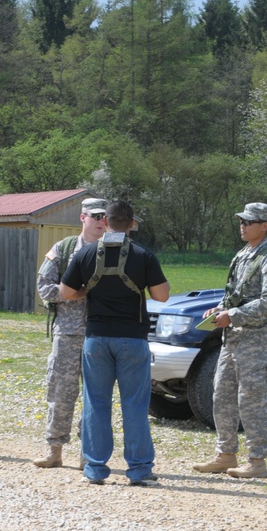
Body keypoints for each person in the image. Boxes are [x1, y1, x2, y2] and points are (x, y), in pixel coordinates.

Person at [60, 200, 170, 486]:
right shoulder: (143, 255)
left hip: (95, 338)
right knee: (134, 404)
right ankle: (139, 470)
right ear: (132, 224)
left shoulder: (85, 254)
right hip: (132, 339)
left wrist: (91, 288)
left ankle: (95, 469)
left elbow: (65, 292)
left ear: (106, 222)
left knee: (95, 403)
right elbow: (162, 296)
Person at [192, 202, 267, 479]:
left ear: (264, 226)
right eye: (241, 221)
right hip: (232, 338)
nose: (242, 226)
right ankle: (226, 455)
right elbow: (234, 293)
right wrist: (219, 309)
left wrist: (231, 315)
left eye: (249, 222)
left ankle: (257, 461)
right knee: (221, 396)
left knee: (252, 400)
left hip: (254, 338)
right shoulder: (243, 255)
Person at [33, 197, 109, 468]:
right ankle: (54, 449)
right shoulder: (63, 249)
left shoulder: (112, 250)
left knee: (95, 395)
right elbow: (45, 289)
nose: (101, 222)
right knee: (60, 392)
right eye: (96, 216)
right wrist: (80, 294)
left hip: (101, 334)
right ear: (83, 217)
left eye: (105, 217)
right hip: (67, 333)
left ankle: (87, 453)